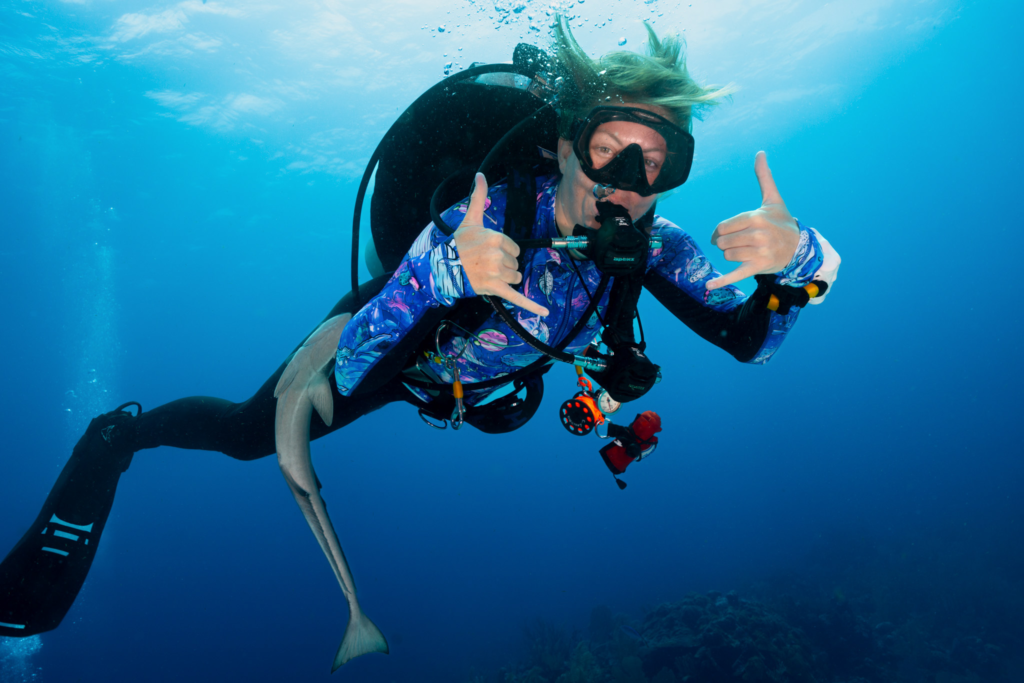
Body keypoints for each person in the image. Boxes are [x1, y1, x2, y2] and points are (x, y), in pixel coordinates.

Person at [0, 18, 839, 640]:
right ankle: (119, 435)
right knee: (251, 435)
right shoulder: (482, 218)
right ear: (563, 144)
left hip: (472, 378)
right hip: (392, 339)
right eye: (608, 148)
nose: (625, 180)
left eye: (654, 163)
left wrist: (805, 262)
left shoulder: (656, 247)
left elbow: (754, 340)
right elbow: (362, 360)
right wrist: (439, 272)